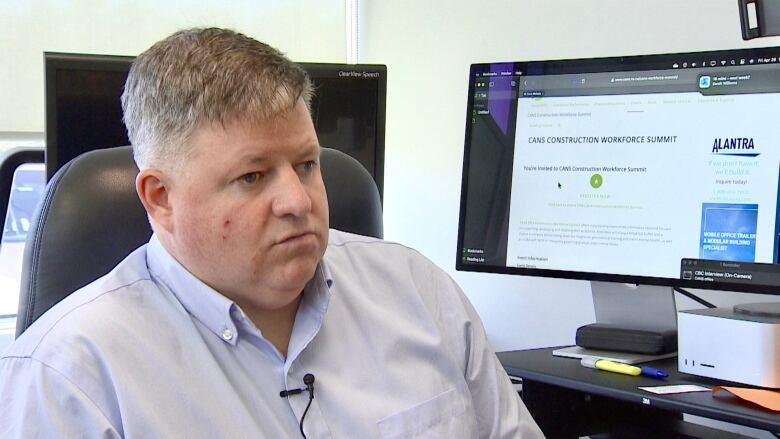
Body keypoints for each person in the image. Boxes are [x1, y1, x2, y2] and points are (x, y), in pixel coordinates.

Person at [0, 28, 543, 438]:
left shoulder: (417, 291)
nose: (298, 201)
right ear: (160, 198)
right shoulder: (67, 376)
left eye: (307, 165)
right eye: (252, 177)